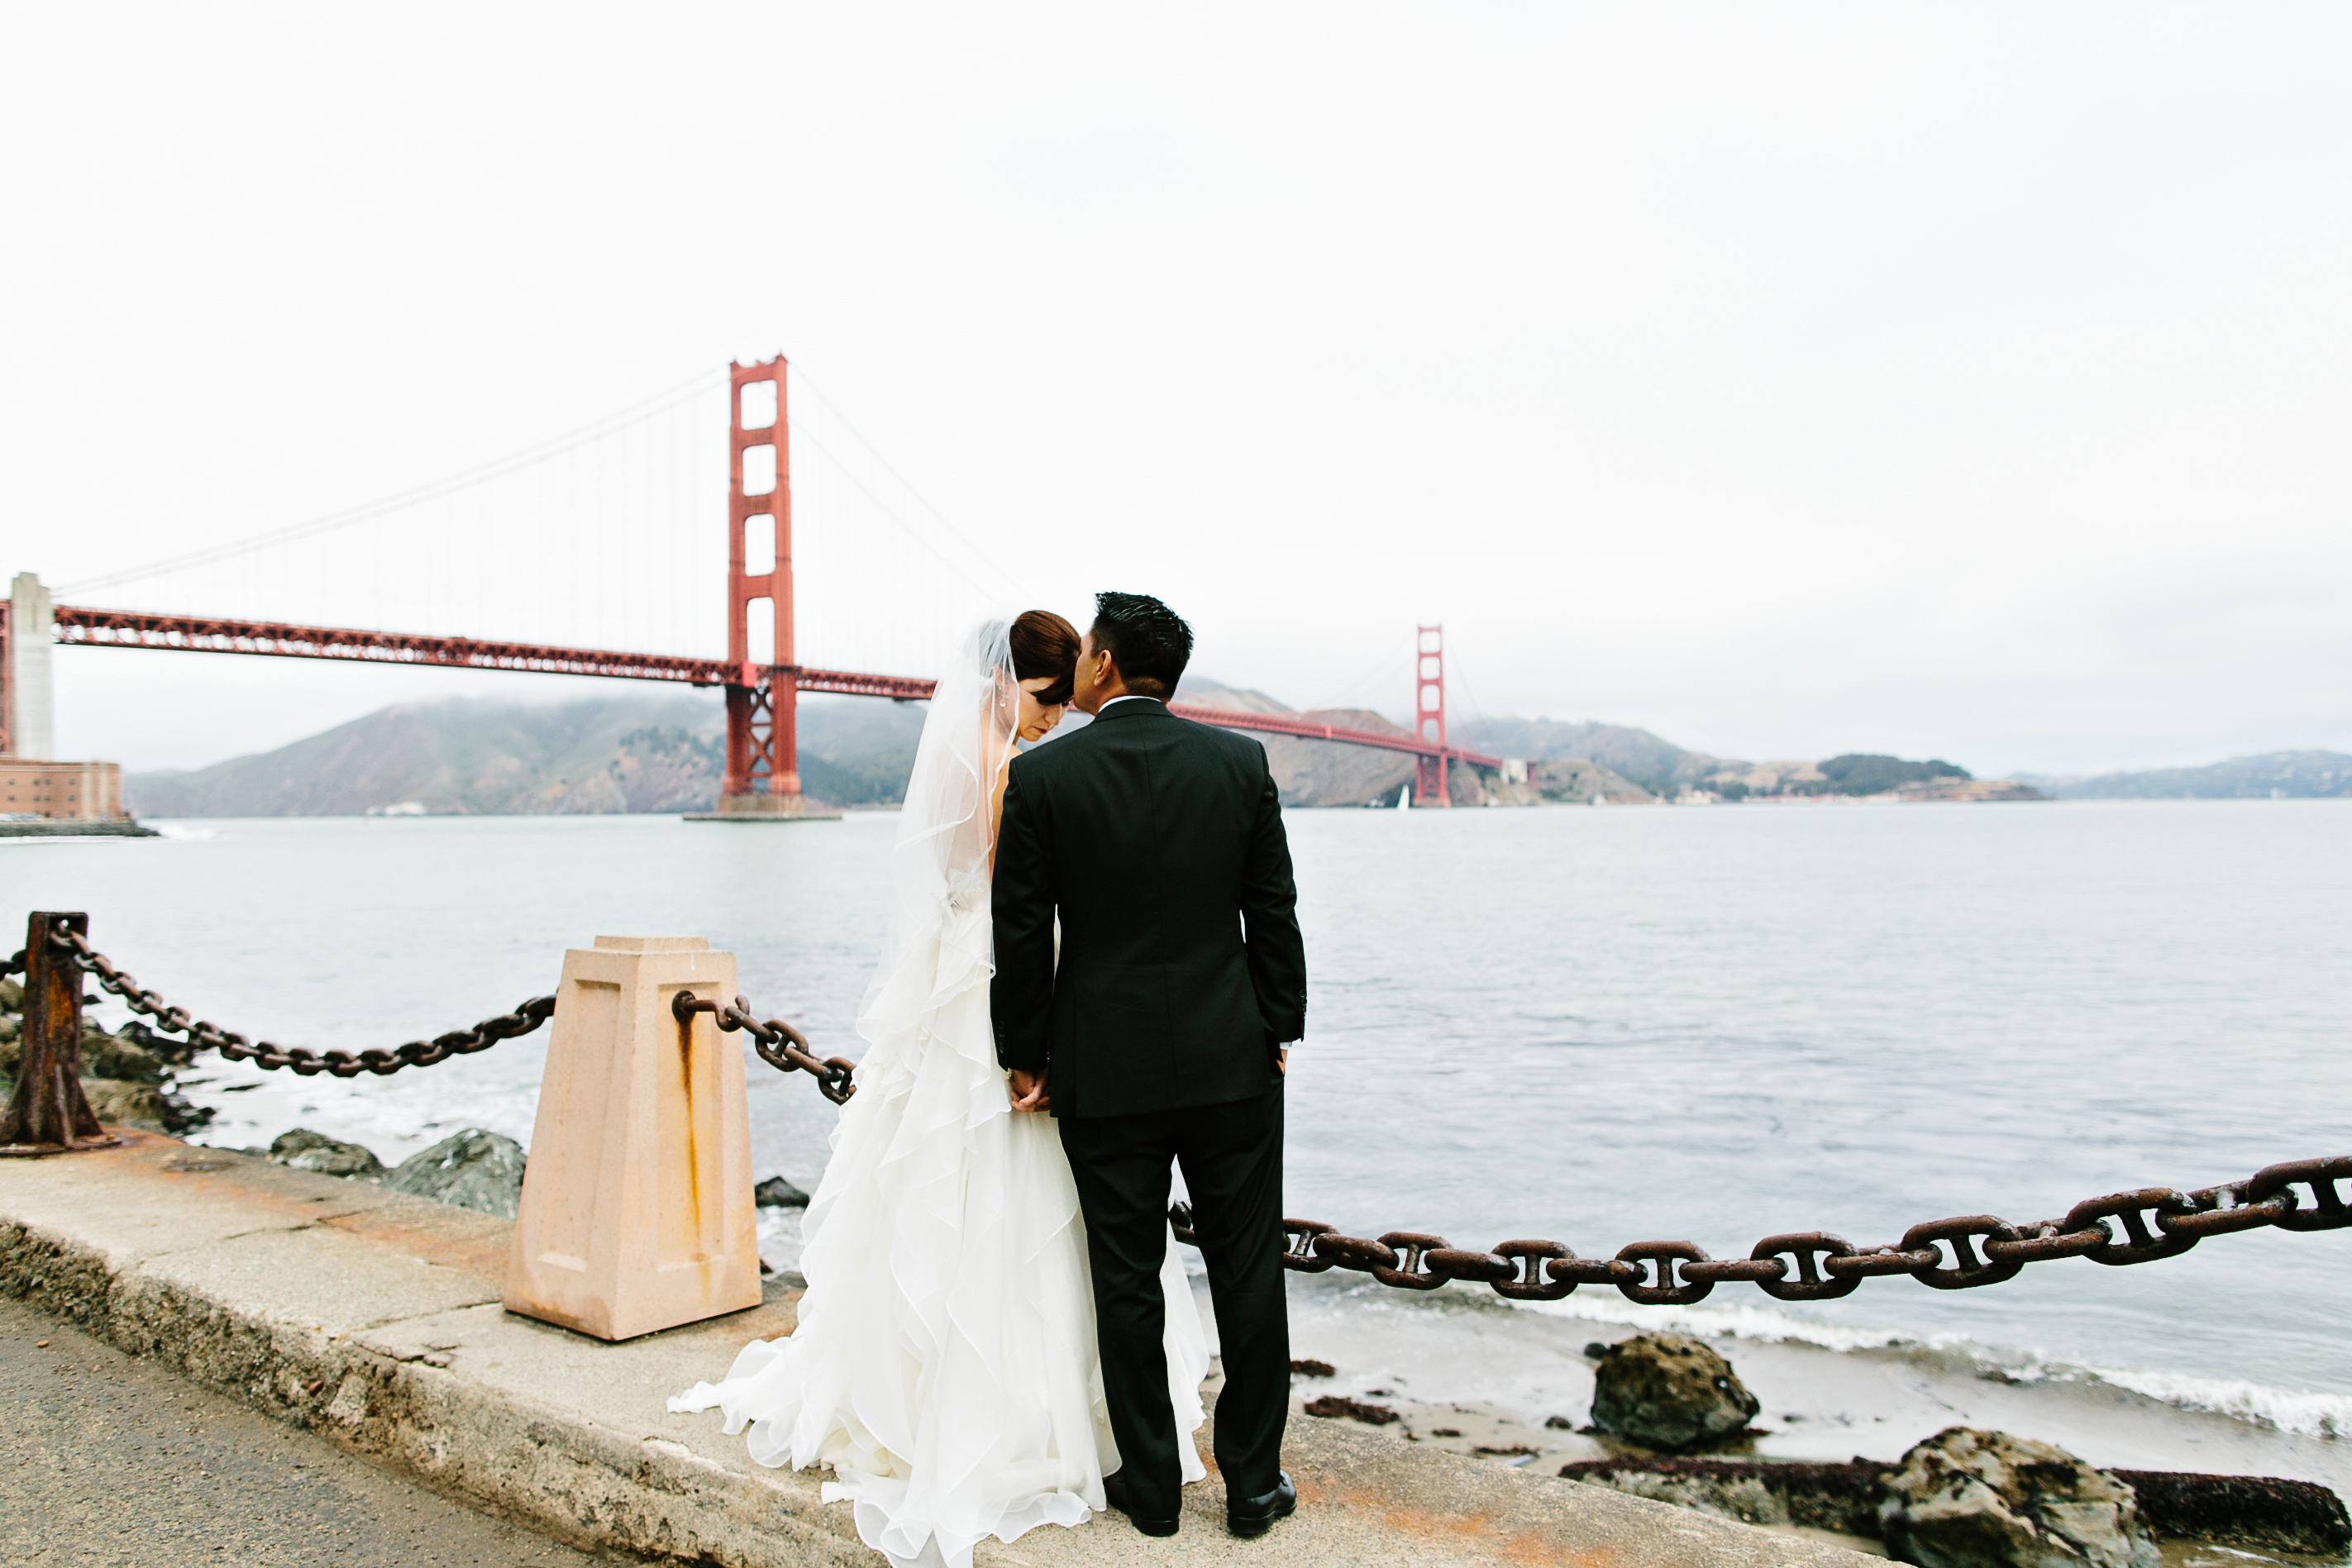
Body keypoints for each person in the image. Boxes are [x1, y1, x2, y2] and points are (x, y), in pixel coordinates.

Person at [670, 609, 1211, 1568]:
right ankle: (1023, 1416)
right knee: (1022, 1198)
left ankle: (932, 1397)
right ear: (1005, 684)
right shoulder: (1008, 769)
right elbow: (1022, 902)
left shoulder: (973, 756)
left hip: (951, 987)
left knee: (939, 1190)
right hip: (999, 993)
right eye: (1045, 701)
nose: (1054, 719)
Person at [992, 591, 1308, 1540]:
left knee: (1124, 1275)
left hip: (1104, 1067)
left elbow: (1020, 929)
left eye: (1088, 647)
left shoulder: (1045, 778)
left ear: (1105, 665)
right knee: (1248, 1270)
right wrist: (1278, 1028)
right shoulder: (1237, 761)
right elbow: (1273, 910)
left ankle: (1153, 1487)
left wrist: (1023, 1054)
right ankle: (1252, 1484)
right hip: (1231, 1060)